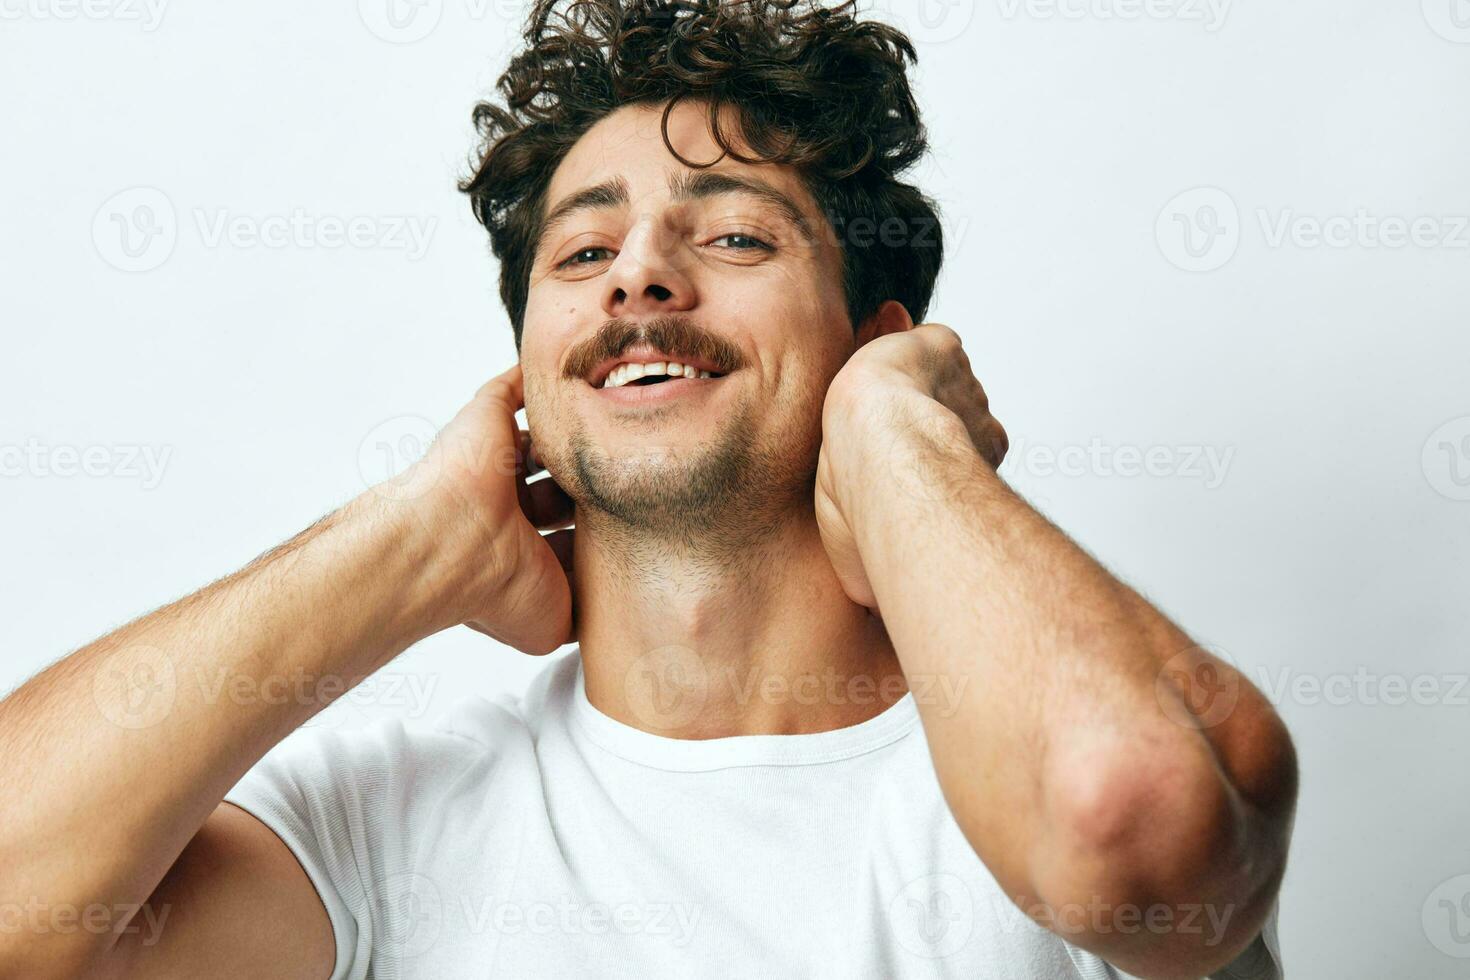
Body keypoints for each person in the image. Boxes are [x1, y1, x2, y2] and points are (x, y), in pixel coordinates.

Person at [0, 1, 1296, 977]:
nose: (637, 278)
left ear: (875, 336)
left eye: (734, 234)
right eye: (582, 251)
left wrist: (898, 438)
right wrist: (406, 546)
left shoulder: (1031, 739)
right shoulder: (379, 831)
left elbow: (1133, 825)